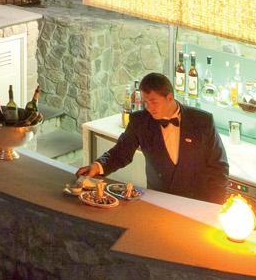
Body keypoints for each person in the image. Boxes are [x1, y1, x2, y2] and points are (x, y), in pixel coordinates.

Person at [77, 71, 229, 203]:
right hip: (157, 201)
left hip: (195, 203)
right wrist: (97, 166)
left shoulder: (202, 121)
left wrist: (214, 206)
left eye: (154, 102)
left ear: (169, 98)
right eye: (145, 102)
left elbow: (219, 168)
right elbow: (121, 151)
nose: (149, 108)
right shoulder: (140, 121)